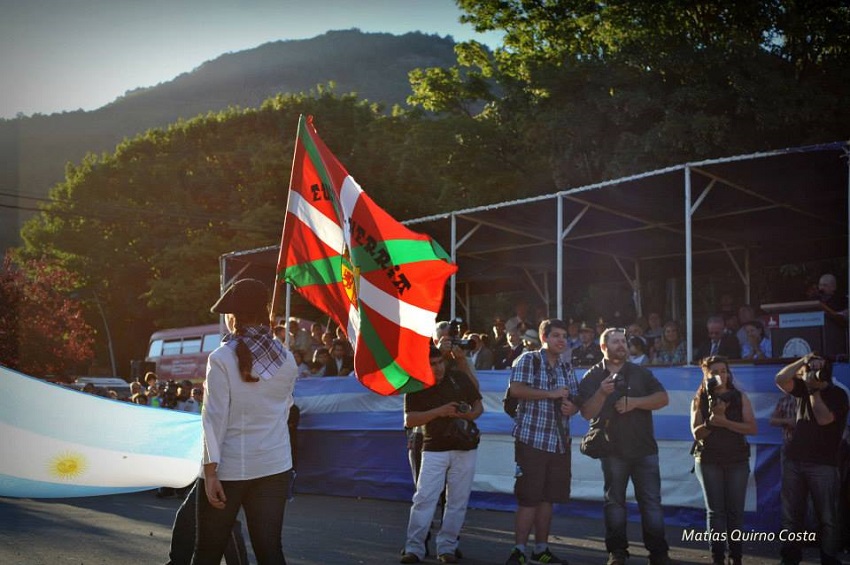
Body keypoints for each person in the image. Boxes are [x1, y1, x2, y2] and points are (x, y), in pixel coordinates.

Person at [193, 278, 297, 565]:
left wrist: (210, 473)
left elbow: (213, 419)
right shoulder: (287, 359)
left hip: (229, 468)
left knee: (207, 552)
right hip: (275, 465)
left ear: (232, 317)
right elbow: (285, 411)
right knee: (270, 551)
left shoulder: (221, 358)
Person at [578, 328, 674, 565]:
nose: (622, 345)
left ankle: (659, 554)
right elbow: (586, 413)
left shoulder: (640, 372)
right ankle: (617, 553)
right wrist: (601, 392)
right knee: (614, 503)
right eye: (616, 342)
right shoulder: (592, 376)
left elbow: (663, 398)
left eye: (623, 341)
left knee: (651, 503)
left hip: (644, 449)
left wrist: (635, 403)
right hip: (612, 451)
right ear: (604, 347)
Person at [504, 319, 580, 565]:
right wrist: (551, 394)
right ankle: (518, 550)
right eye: (556, 335)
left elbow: (576, 398)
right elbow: (515, 389)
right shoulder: (529, 359)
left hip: (558, 441)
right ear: (544, 337)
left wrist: (572, 407)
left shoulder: (566, 366)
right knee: (529, 498)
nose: (561, 340)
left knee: (548, 498)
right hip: (531, 439)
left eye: (564, 336)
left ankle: (541, 549)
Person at [400, 345, 483, 564]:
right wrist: (440, 411)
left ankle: (447, 547)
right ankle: (414, 547)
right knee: (424, 498)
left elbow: (478, 404)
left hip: (464, 445)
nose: (437, 368)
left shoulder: (458, 378)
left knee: (458, 499)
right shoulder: (416, 384)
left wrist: (469, 415)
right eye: (432, 364)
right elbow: (409, 420)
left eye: (439, 363)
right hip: (434, 446)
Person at [775, 353, 848, 565]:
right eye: (811, 368)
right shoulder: (802, 389)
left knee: (826, 517)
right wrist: (803, 360)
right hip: (794, 459)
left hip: (823, 463)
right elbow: (780, 379)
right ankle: (789, 558)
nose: (813, 372)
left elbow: (824, 419)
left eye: (818, 368)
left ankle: (828, 558)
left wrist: (814, 389)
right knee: (791, 516)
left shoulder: (838, 395)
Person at [690, 356, 757, 565]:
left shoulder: (740, 397)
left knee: (735, 512)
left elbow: (752, 428)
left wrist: (725, 422)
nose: (721, 375)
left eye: (724, 370)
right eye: (716, 371)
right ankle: (717, 557)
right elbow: (696, 433)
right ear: (706, 375)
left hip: (737, 459)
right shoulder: (698, 399)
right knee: (715, 512)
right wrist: (712, 421)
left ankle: (736, 557)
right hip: (708, 459)